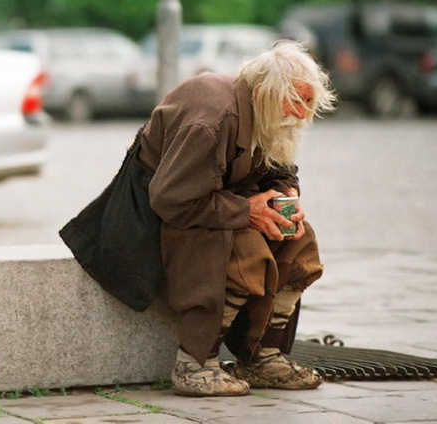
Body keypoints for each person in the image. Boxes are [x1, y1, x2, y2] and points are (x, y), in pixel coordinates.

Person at [137, 40, 336, 397]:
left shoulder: (265, 110)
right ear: (265, 92)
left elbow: (282, 169)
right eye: (297, 100)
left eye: (308, 101)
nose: (303, 113)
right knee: (245, 250)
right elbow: (172, 200)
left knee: (299, 239)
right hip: (166, 211)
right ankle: (195, 363)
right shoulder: (212, 120)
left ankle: (262, 357)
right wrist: (248, 212)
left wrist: (285, 197)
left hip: (216, 199)